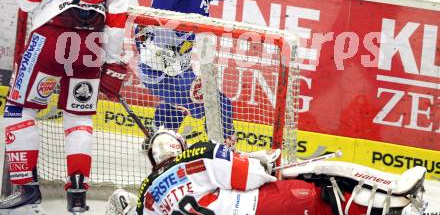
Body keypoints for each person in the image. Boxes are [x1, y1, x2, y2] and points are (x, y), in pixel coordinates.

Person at [0, 0, 129, 214]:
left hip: (53, 35)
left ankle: (26, 187)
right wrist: (112, 62)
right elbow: (117, 20)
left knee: (19, 108)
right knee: (80, 117)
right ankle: (77, 196)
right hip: (92, 45)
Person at [134, 0, 295, 142]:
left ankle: (158, 137)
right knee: (218, 105)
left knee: (175, 107)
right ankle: (224, 152)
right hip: (158, 70)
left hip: (176, 67)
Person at [104, 128, 427, 215]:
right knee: (319, 184)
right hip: (256, 208)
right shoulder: (198, 154)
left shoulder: (146, 196)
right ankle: (395, 197)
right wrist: (264, 163)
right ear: (177, 145)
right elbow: (252, 178)